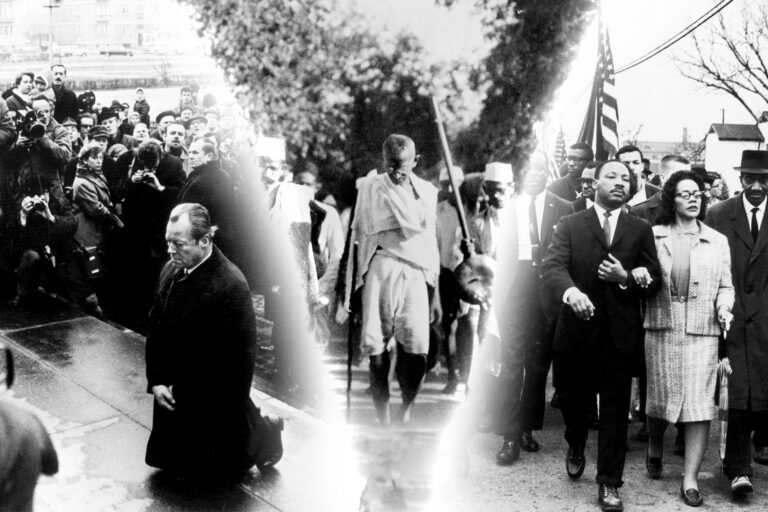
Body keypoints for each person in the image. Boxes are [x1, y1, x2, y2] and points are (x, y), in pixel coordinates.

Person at [541, 160, 661, 512]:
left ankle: (609, 483)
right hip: (576, 334)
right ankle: (575, 441)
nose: (620, 183)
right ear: (594, 184)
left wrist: (627, 275)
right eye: (612, 176)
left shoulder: (639, 228)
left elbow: (653, 278)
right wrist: (571, 293)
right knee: (574, 401)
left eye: (626, 178)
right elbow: (552, 267)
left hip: (618, 337)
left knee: (613, 413)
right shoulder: (570, 224)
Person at [145, 203, 283, 476]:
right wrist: (156, 380)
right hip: (177, 382)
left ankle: (265, 431)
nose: (170, 250)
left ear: (205, 240)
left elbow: (240, 361)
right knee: (170, 461)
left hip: (214, 389)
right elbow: (156, 327)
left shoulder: (231, 285)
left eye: (179, 243)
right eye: (168, 242)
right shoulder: (171, 269)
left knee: (220, 468)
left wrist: (203, 402)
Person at [641, 170, 734, 507]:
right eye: (685, 193)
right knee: (659, 398)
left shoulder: (717, 240)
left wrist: (724, 308)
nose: (694, 198)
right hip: (662, 326)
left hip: (702, 331)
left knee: (698, 406)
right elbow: (644, 279)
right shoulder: (652, 236)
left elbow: (726, 286)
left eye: (697, 193)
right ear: (671, 199)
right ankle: (654, 444)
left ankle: (690, 478)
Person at [345, 134, 441, 425]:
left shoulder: (427, 192)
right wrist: (351, 285)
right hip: (380, 269)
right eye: (390, 167)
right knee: (376, 348)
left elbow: (430, 244)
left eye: (402, 168)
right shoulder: (371, 187)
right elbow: (357, 236)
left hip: (415, 274)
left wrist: (434, 293)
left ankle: (406, 409)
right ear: (383, 161)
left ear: (416, 161)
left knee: (417, 351)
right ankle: (382, 417)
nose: (396, 174)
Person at [493, 162, 574, 465]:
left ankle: (527, 427)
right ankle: (509, 435)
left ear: (547, 176)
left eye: (539, 171)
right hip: (514, 288)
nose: (533, 176)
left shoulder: (564, 207)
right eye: (527, 170)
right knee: (511, 359)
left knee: (538, 365)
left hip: (546, 289)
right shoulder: (507, 208)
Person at [705, 149, 768, 497]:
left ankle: (760, 446)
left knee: (762, 392)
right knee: (735, 393)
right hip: (731, 316)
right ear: (740, 179)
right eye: (750, 179)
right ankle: (738, 469)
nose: (756, 186)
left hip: (767, 322)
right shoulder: (719, 215)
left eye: (764, 179)